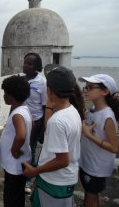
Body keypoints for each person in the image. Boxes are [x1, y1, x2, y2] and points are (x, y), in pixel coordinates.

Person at [22, 66, 82, 207]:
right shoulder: (72, 111)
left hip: (54, 181)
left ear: (49, 90)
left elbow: (62, 160)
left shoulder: (58, 121)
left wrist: (34, 171)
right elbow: (51, 129)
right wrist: (49, 107)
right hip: (66, 178)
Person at [78, 74, 119, 207]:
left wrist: (89, 135)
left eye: (90, 87)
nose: (86, 90)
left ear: (105, 91)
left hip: (96, 167)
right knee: (91, 194)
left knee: (90, 195)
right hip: (89, 161)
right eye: (85, 87)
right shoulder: (94, 110)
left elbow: (114, 147)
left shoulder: (107, 117)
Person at [0, 75, 32, 207]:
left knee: (11, 198)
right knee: (17, 197)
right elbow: (32, 125)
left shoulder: (17, 114)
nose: (4, 96)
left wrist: (14, 149)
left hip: (14, 165)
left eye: (5, 93)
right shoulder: (24, 109)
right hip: (19, 163)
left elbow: (21, 136)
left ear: (12, 95)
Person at [21, 53, 47, 194]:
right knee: (20, 148)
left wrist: (43, 127)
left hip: (35, 122)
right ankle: (20, 173)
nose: (25, 65)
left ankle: (29, 180)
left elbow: (44, 106)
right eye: (25, 62)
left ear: (37, 67)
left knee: (30, 148)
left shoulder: (42, 82)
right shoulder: (21, 80)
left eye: (30, 64)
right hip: (21, 120)